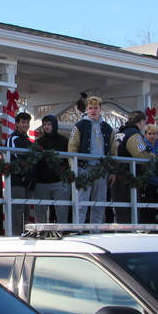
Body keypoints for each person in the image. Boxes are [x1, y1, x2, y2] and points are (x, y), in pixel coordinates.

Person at [68, 96, 116, 224]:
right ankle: (78, 228)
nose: (93, 111)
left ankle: (96, 229)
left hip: (102, 170)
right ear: (86, 110)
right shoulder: (79, 126)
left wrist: (112, 171)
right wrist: (74, 168)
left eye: (95, 108)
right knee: (81, 203)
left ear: (100, 109)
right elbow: (72, 148)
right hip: (84, 168)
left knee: (99, 203)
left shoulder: (107, 128)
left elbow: (113, 151)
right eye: (90, 108)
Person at [112, 110, 147, 223]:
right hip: (128, 175)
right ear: (141, 122)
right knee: (128, 206)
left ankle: (120, 229)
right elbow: (140, 154)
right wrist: (154, 158)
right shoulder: (134, 134)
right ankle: (128, 231)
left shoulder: (118, 133)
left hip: (115, 174)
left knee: (119, 206)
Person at [34, 115, 70, 223]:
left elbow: (69, 160)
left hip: (60, 182)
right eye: (44, 124)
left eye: (49, 124)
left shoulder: (64, 141)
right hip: (41, 183)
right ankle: (40, 233)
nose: (46, 127)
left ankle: (62, 232)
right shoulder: (38, 143)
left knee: (62, 211)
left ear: (54, 125)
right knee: (40, 213)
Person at [5, 111, 34, 232]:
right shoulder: (13, 139)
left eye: (27, 122)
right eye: (23, 122)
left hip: (28, 181)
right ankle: (15, 236)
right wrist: (23, 173)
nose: (25, 125)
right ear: (17, 124)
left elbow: (33, 160)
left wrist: (31, 176)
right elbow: (14, 158)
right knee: (17, 210)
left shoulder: (29, 142)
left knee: (26, 210)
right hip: (16, 181)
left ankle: (24, 234)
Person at [140, 124, 158, 223]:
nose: (152, 136)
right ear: (145, 135)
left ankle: (155, 226)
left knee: (157, 205)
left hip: (157, 179)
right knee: (146, 205)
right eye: (149, 134)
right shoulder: (143, 145)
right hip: (145, 180)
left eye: (154, 134)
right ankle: (145, 226)